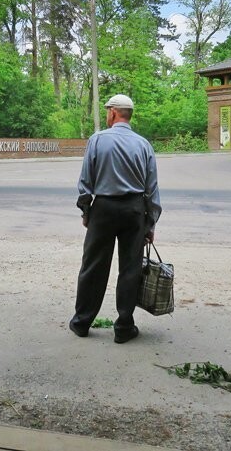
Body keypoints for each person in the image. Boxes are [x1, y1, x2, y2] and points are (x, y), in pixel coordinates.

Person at [69, 94, 161, 344]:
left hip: (104, 209)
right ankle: (123, 327)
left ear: (112, 113)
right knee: (130, 268)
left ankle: (81, 322)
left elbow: (85, 182)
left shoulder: (98, 140)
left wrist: (87, 212)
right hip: (134, 210)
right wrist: (150, 223)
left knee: (93, 266)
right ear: (128, 115)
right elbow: (151, 188)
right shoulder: (144, 145)